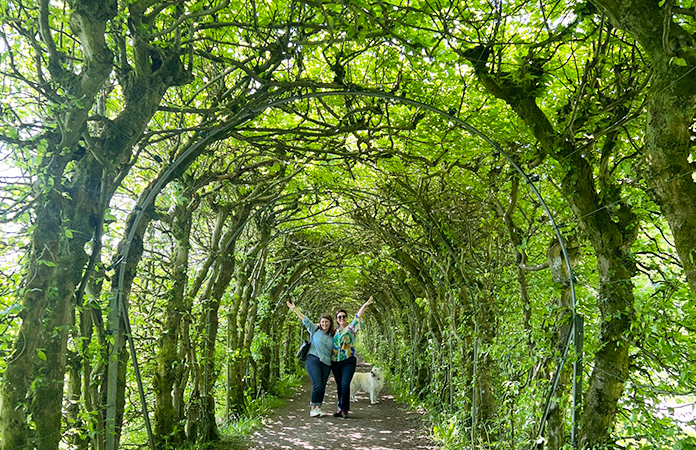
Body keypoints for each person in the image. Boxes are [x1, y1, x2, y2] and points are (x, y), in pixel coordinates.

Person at [287, 300, 334, 417]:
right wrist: (294, 309)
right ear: (320, 322)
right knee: (317, 384)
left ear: (330, 323)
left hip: (327, 363)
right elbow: (305, 320)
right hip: (313, 359)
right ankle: (312, 408)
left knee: (322, 386)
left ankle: (318, 407)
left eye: (327, 322)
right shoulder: (315, 329)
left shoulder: (333, 335)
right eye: (323, 321)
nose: (324, 324)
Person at [331, 295, 374, 418]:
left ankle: (345, 409)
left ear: (346, 318)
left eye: (344, 316)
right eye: (340, 317)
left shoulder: (351, 328)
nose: (342, 318)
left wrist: (365, 305)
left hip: (348, 361)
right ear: (337, 319)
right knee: (339, 385)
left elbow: (358, 316)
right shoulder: (334, 331)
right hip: (335, 361)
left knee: (345, 384)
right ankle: (340, 408)